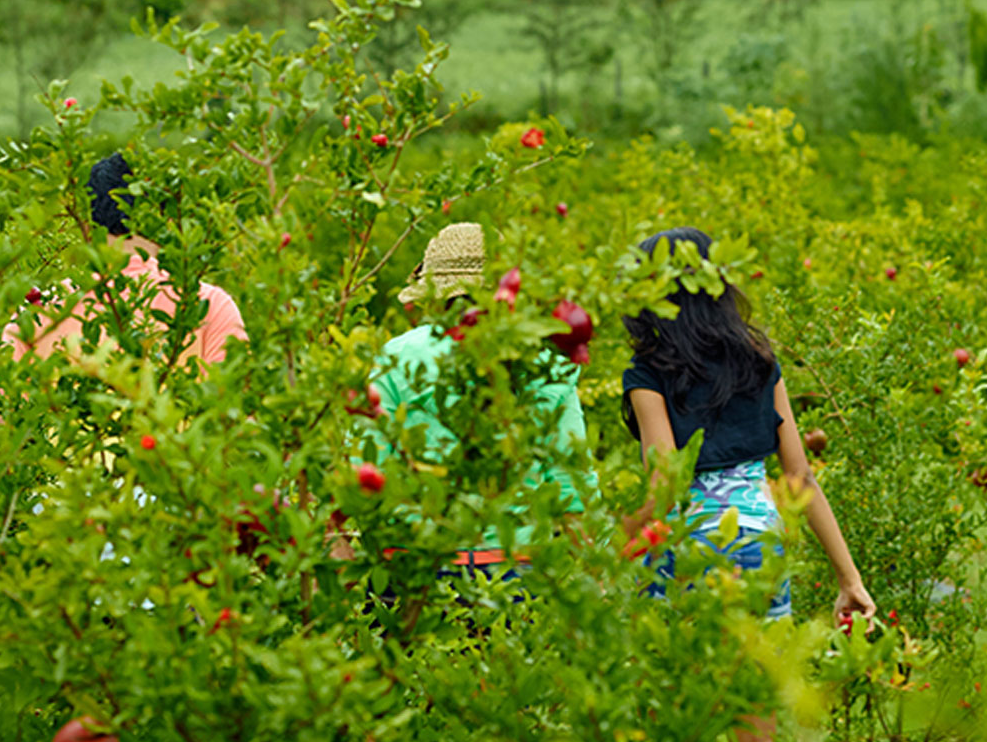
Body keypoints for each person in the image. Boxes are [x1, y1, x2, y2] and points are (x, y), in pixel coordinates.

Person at [621, 226, 875, 624]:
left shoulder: (649, 375)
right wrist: (850, 579)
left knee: (679, 677)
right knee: (762, 675)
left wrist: (611, 547)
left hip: (690, 547)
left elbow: (665, 486)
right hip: (760, 542)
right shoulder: (758, 362)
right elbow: (800, 478)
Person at [354, 221, 591, 583]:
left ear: (433, 294)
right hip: (516, 567)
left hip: (414, 565)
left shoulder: (397, 355)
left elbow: (366, 467)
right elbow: (571, 489)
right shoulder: (545, 361)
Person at [2, 152, 247, 368]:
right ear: (167, 218)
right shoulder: (209, 307)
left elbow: (0, 414)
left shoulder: (37, 313)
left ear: (87, 225)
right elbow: (232, 411)